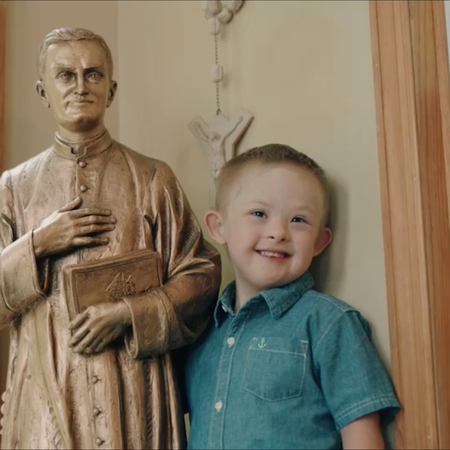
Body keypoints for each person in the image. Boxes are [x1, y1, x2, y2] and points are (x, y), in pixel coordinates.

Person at [0, 28, 220, 449]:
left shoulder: (153, 178)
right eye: (65, 75)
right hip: (45, 388)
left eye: (93, 74)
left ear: (111, 89)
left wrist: (128, 313)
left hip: (134, 390)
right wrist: (38, 244)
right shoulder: (12, 188)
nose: (80, 86)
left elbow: (201, 277)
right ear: (43, 90)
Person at [183, 144, 400, 449]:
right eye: (259, 213)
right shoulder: (201, 330)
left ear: (320, 242)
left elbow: (362, 436)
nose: (278, 232)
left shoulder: (330, 324)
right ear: (219, 228)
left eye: (298, 220)